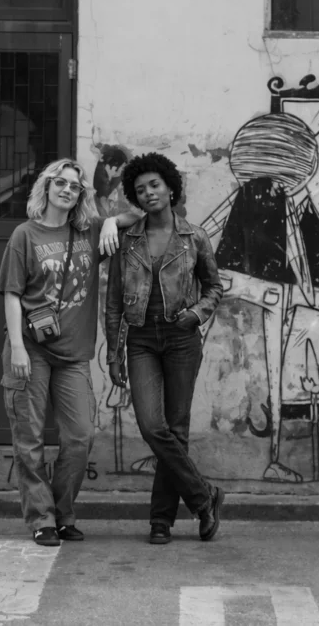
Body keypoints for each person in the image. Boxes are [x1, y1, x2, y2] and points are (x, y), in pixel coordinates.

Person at [0, 158, 137, 547]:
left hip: (73, 354)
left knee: (80, 436)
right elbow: (11, 293)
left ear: (80, 196)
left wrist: (110, 221)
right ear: (46, 186)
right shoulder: (25, 235)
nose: (67, 190)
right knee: (30, 438)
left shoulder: (89, 231)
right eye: (60, 182)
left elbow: (139, 213)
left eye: (75, 187)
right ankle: (42, 519)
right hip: (31, 350)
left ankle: (61, 512)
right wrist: (18, 349)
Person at [105, 152, 225, 544]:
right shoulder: (128, 239)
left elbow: (214, 287)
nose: (149, 193)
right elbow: (113, 302)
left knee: (175, 429)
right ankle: (203, 496)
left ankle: (161, 521)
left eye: (155, 185)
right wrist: (112, 352)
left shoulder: (195, 237)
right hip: (141, 339)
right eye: (140, 190)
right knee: (152, 426)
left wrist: (197, 314)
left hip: (181, 339)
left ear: (170, 188)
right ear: (135, 198)